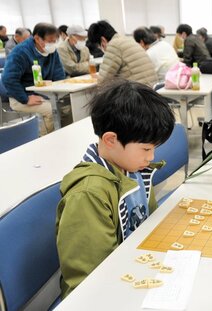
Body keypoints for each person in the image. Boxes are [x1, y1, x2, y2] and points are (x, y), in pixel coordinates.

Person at [56, 79, 175, 299]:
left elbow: (148, 224)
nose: (151, 157)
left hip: (131, 271)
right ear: (111, 139)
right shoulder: (89, 195)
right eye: (146, 149)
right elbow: (90, 281)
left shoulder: (131, 168)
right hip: (99, 295)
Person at [2, 22, 66, 135]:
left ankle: (64, 135)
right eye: (50, 41)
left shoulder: (51, 51)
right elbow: (8, 79)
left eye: (55, 40)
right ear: (36, 38)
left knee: (66, 106)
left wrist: (61, 92)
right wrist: (25, 99)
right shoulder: (20, 52)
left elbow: (59, 74)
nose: (53, 44)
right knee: (51, 110)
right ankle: (46, 141)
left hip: (44, 93)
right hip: (20, 97)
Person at [87, 20, 157, 87]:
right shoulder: (127, 40)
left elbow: (103, 80)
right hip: (150, 89)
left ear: (103, 40)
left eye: (99, 46)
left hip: (138, 93)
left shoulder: (114, 45)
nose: (101, 49)